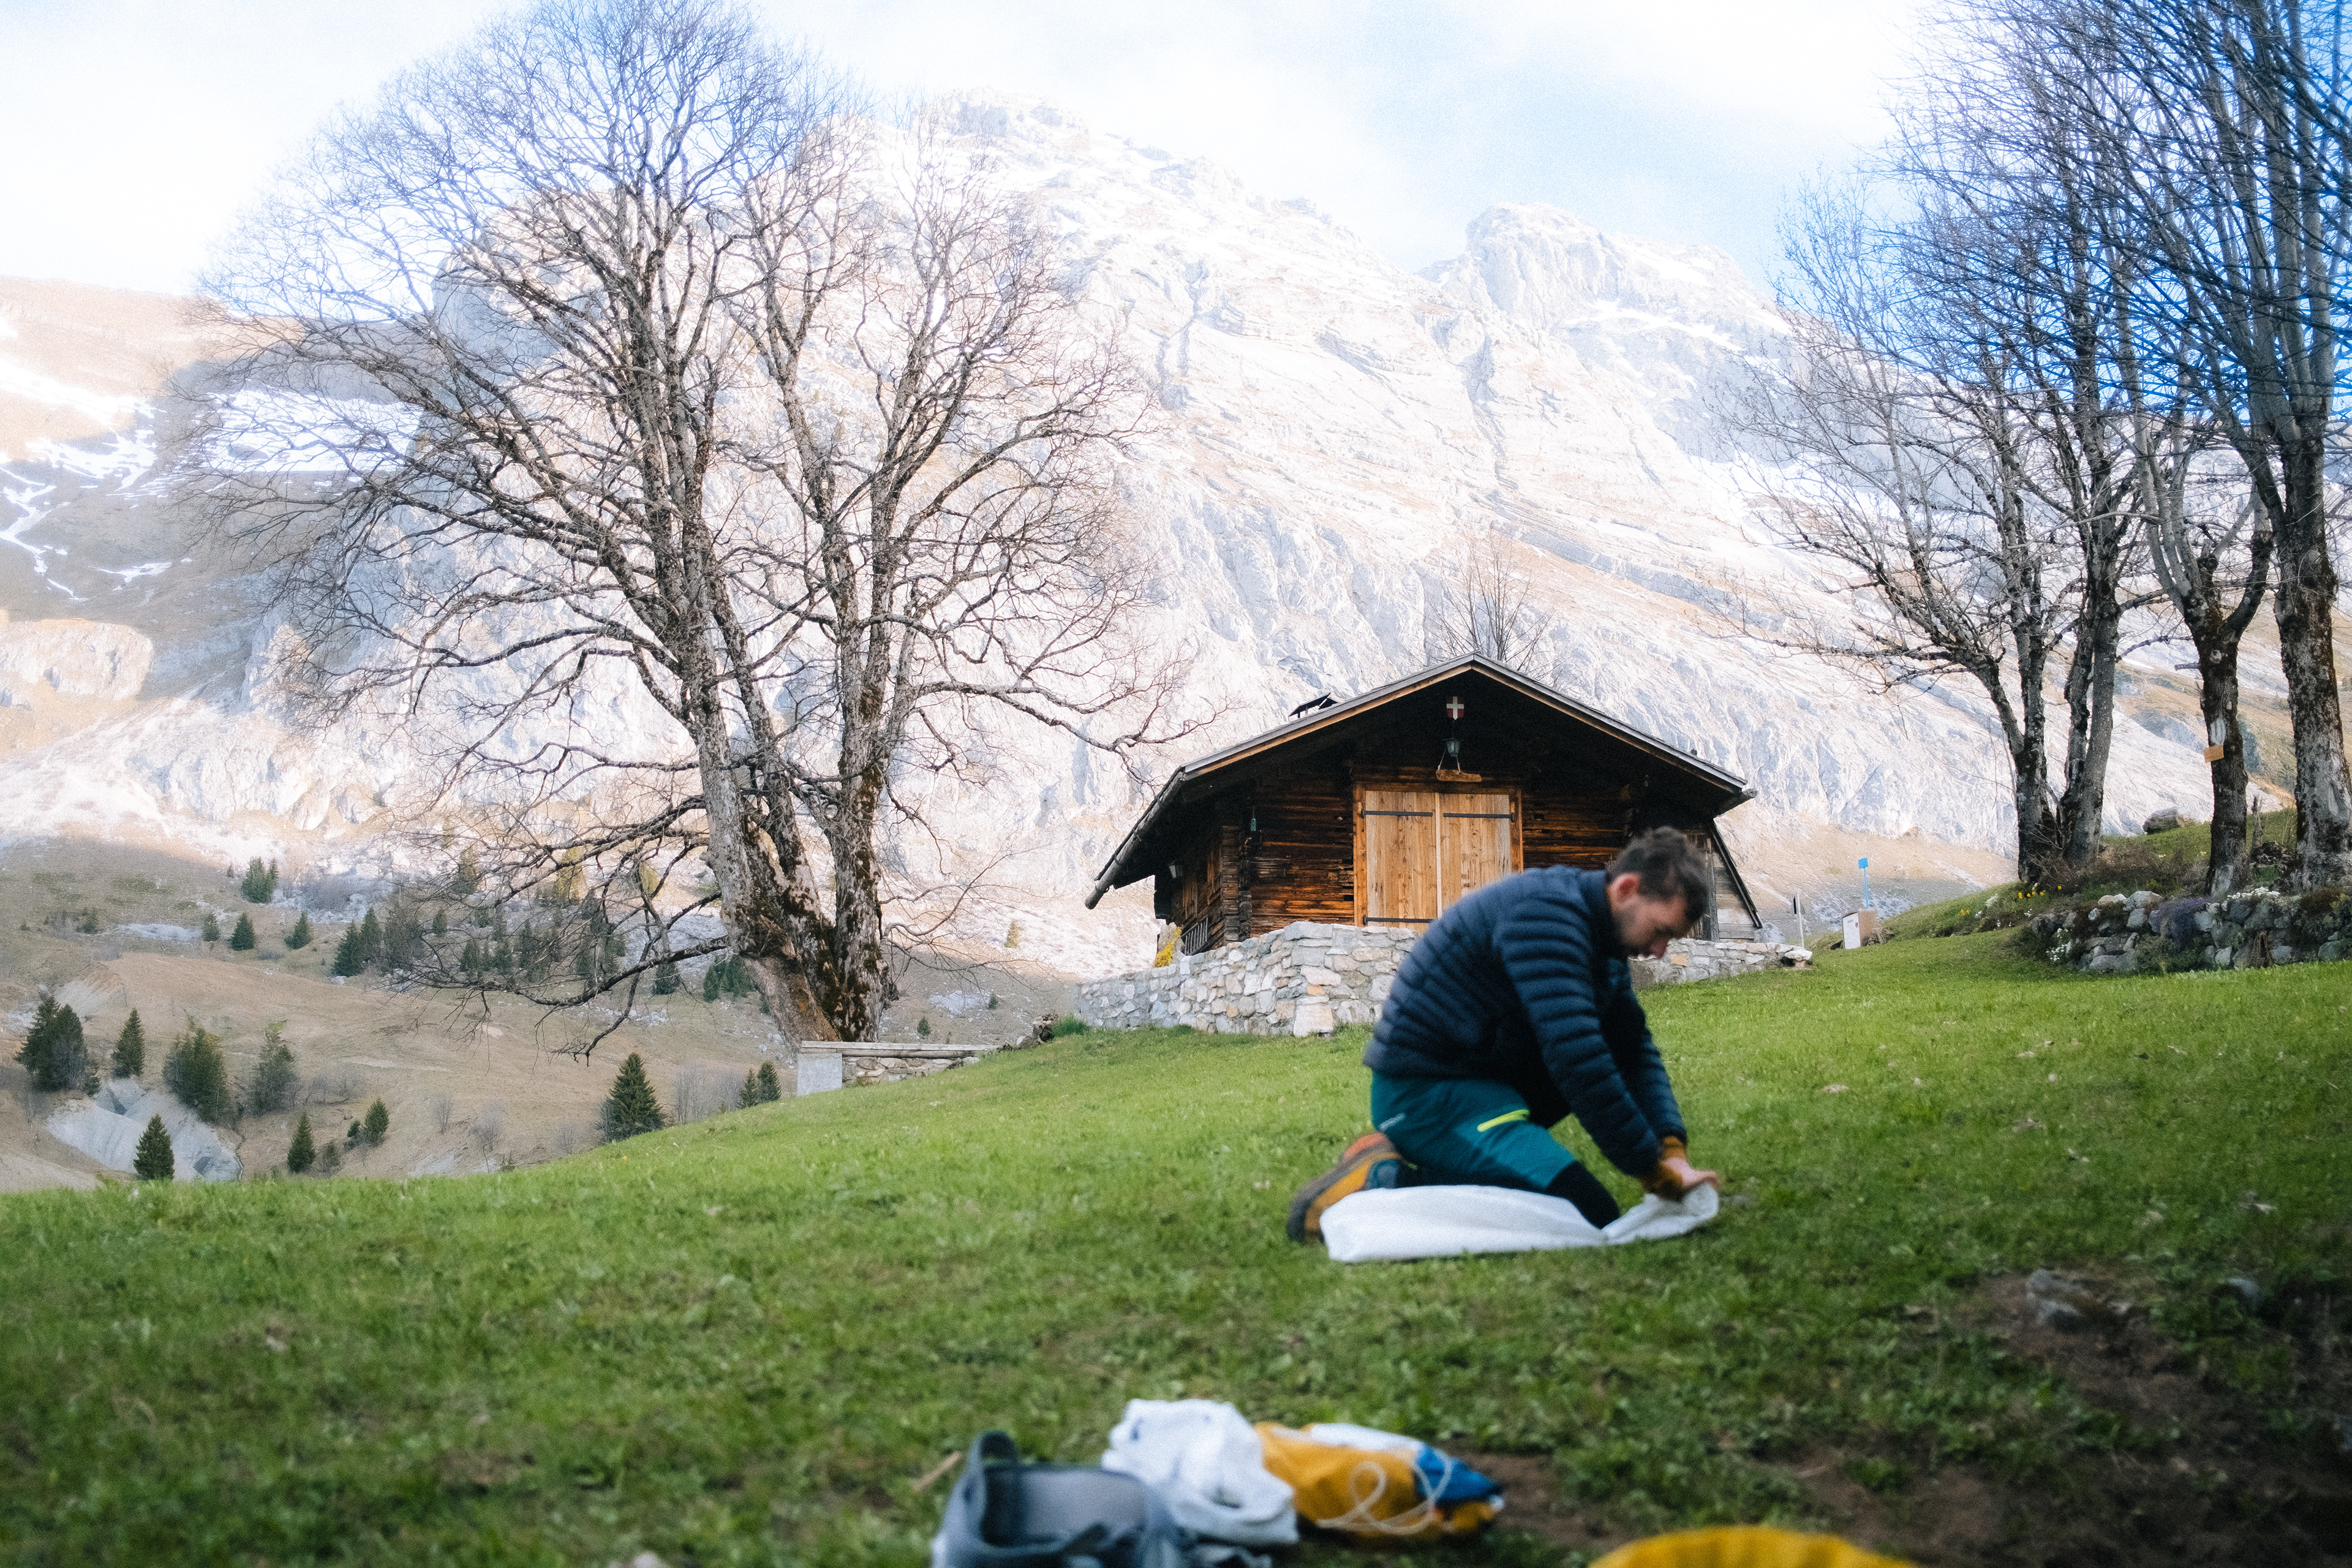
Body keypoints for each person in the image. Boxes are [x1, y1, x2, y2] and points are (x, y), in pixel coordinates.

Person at [1287, 827, 1722, 1243]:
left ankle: (1432, 1156)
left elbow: (1633, 1051)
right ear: (1627, 889)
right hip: (1426, 1095)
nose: (1659, 951)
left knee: (1572, 1206)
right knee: (1586, 1212)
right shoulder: (1545, 915)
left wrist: (1670, 1148)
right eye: (1661, 931)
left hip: (1485, 1088)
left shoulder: (1601, 940)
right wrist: (1648, 1168)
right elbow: (1579, 1058)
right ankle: (1377, 1181)